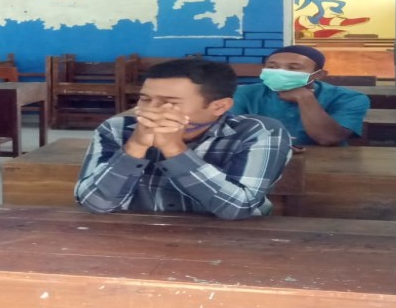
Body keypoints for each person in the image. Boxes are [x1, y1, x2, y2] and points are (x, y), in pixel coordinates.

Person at [75, 58, 292, 219]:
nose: (151, 110)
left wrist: (174, 149)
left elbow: (237, 209)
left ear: (219, 106)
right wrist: (136, 146)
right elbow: (95, 203)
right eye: (145, 99)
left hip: (227, 241)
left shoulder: (258, 132)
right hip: (134, 233)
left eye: (170, 102)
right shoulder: (117, 128)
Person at [232, 45, 370, 146]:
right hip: (260, 156)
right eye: (272, 67)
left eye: (293, 68)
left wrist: (305, 98)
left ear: (318, 75)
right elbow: (234, 135)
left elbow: (328, 138)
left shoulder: (349, 98)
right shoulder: (243, 93)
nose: (280, 72)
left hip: (326, 162)